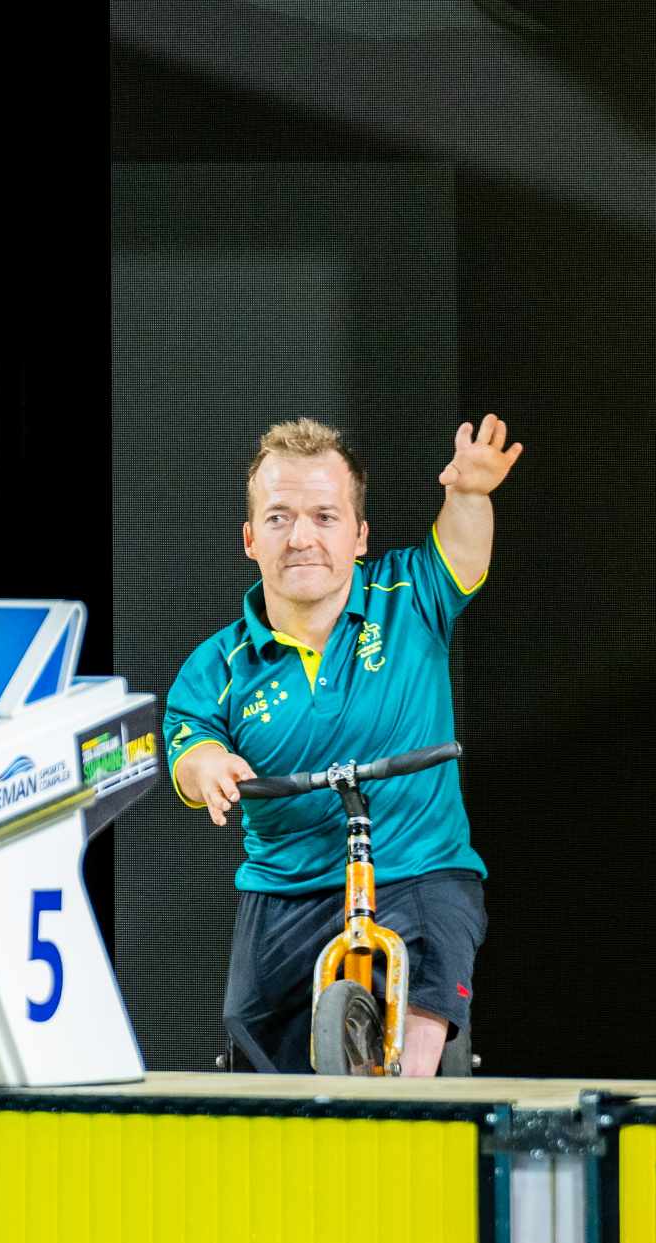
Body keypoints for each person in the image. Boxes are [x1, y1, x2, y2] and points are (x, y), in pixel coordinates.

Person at [163, 414, 522, 1076]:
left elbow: (463, 550)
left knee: (426, 980)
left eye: (325, 517)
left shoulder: (409, 596)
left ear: (359, 535)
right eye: (278, 518)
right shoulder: (218, 664)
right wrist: (206, 765)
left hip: (417, 867)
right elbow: (190, 744)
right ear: (250, 538)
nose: (301, 537)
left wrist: (470, 494)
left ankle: (409, 1101)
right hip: (286, 887)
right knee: (251, 1039)